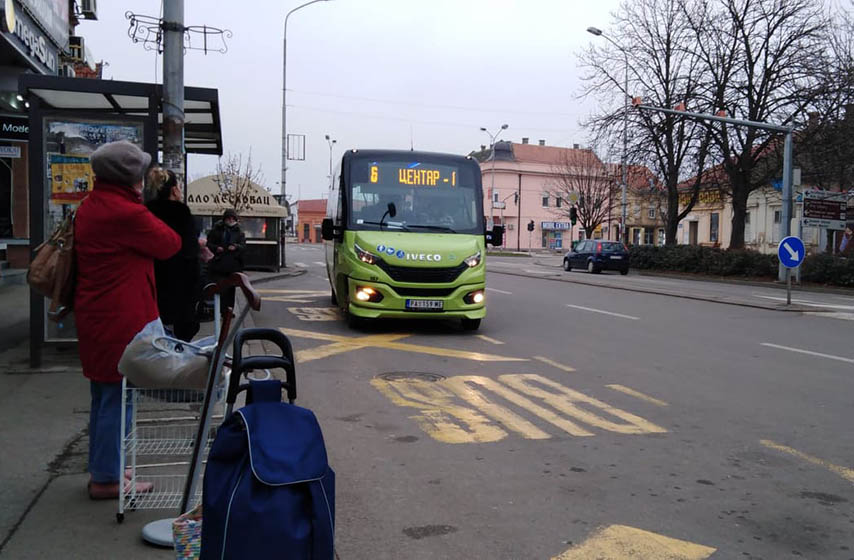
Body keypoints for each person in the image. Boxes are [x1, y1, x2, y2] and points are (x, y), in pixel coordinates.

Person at [74, 141, 181, 499]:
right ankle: (107, 480)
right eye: (139, 174)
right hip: (119, 320)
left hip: (99, 317)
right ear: (129, 178)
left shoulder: (92, 205)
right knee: (119, 397)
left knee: (104, 396)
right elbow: (169, 244)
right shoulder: (125, 212)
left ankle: (109, 466)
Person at [145, 168, 201, 342]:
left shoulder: (146, 211)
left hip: (152, 279)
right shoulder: (181, 212)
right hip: (179, 281)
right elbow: (190, 251)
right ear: (174, 189)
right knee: (183, 332)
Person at [206, 208, 246, 314]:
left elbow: (243, 246)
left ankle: (228, 311)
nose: (231, 220)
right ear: (225, 219)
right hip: (219, 263)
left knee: (231, 289)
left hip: (232, 264)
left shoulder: (239, 231)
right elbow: (209, 243)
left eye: (233, 218)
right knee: (220, 287)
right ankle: (220, 309)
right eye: (229, 218)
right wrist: (216, 248)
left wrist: (236, 247)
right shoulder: (217, 229)